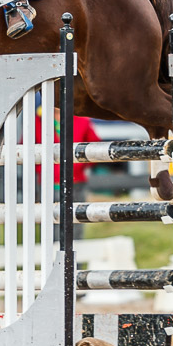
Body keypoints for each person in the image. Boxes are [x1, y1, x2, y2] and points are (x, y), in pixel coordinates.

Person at [35, 101, 102, 241]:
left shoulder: (82, 120)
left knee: (76, 224)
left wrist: (78, 167)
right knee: (49, 226)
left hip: (75, 181)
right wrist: (43, 169)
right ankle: (52, 261)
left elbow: (96, 148)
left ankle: (76, 262)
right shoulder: (37, 121)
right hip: (48, 182)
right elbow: (26, 150)